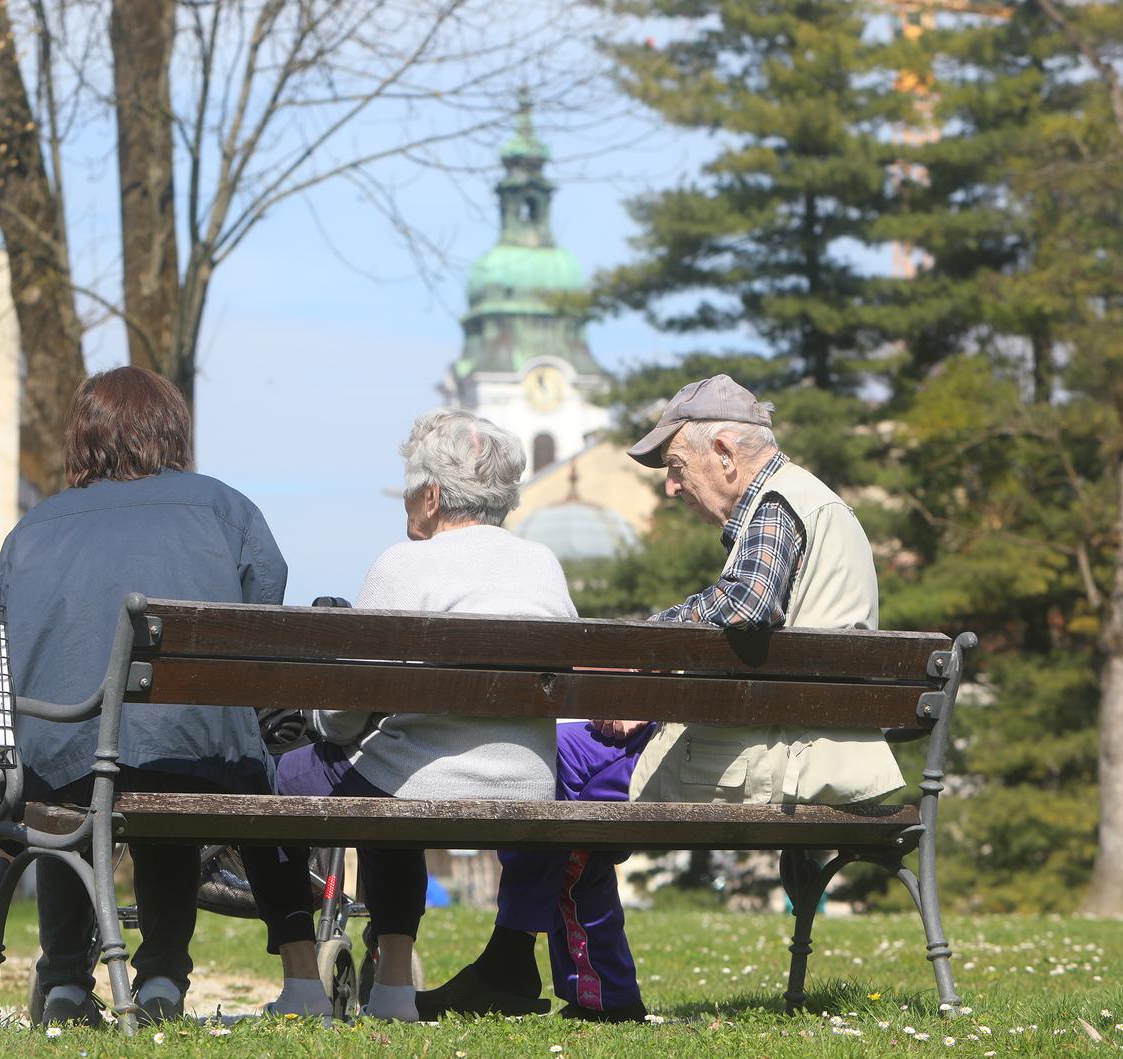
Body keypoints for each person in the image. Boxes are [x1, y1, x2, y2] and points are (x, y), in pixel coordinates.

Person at [417, 373, 905, 1023]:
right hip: (791, 738)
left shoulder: (780, 507)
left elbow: (744, 608)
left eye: (677, 467)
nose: (671, 487)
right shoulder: (805, 504)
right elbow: (750, 630)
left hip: (784, 755)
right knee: (561, 766)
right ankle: (547, 976)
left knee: (546, 768)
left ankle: (537, 973)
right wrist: (649, 675)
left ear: (726, 453)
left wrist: (642, 662)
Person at [241, 408, 574, 1022]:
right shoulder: (543, 565)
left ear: (432, 495)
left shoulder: (405, 563)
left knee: (276, 784)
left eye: (407, 493)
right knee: (390, 778)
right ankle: (393, 986)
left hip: (416, 780)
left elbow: (343, 714)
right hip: (530, 783)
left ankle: (301, 982)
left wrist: (329, 729)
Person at [0, 366, 287, 1027]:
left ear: (84, 437)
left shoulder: (32, 530)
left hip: (58, 767)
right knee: (166, 765)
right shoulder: (226, 510)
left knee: (74, 793)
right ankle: (159, 982)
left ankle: (65, 982)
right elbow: (265, 612)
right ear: (170, 430)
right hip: (199, 763)